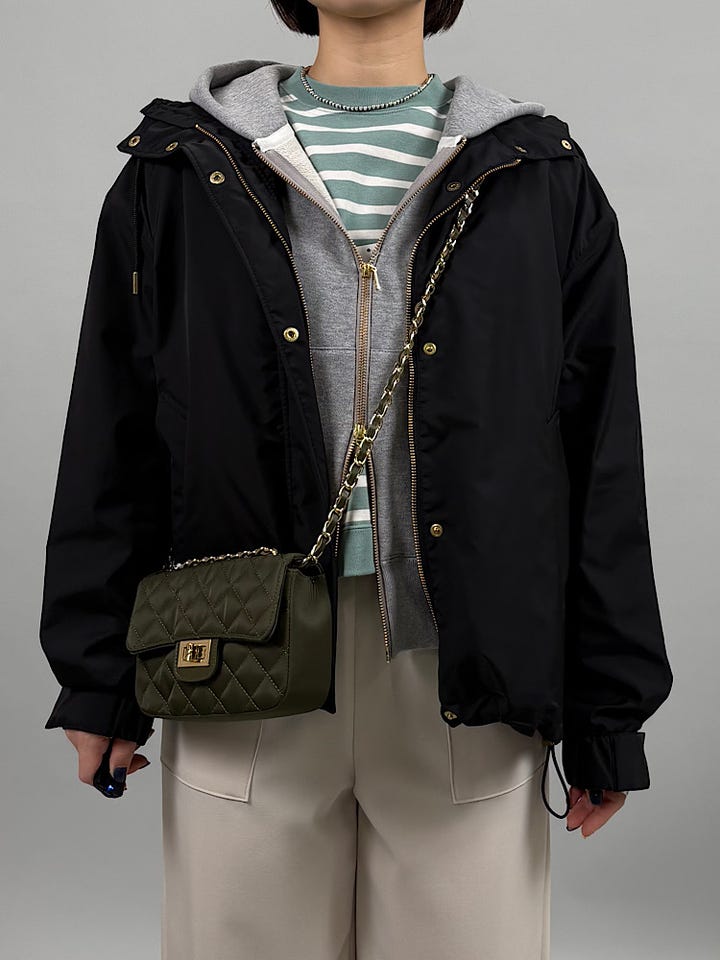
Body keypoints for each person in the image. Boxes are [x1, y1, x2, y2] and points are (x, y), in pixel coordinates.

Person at [39, 1, 674, 957]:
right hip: (237, 649)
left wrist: (607, 711)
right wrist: (97, 683)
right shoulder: (177, 169)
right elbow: (114, 427)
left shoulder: (540, 177)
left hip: (465, 663)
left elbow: (597, 453)